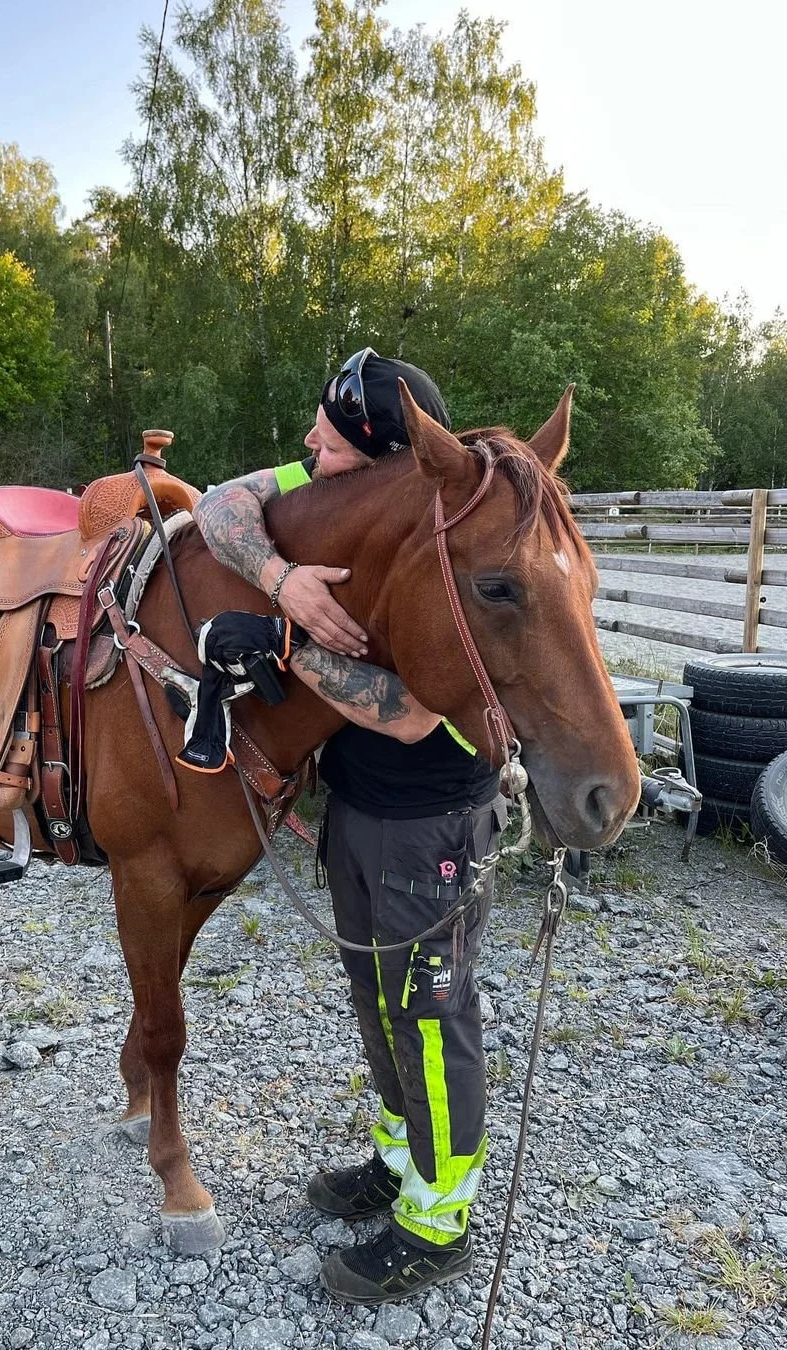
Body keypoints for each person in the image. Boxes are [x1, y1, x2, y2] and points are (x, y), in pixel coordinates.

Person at [193, 348, 503, 1305]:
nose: (306, 449)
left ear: (380, 459)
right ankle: (399, 1161)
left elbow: (406, 715)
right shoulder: (347, 494)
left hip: (430, 824)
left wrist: (284, 642)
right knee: (377, 1001)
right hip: (362, 814)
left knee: (431, 1014)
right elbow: (218, 506)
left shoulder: (446, 549)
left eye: (326, 441)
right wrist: (282, 578)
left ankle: (439, 1221)